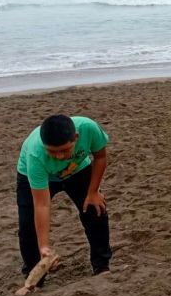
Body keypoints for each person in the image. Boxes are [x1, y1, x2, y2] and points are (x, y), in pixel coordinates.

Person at [16, 114, 111, 279]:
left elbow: (100, 157)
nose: (59, 156)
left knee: (95, 210)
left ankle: (102, 267)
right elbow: (42, 205)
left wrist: (93, 192)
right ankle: (34, 277)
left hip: (77, 169)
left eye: (65, 150)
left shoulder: (89, 128)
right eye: (52, 151)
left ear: (76, 137)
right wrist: (44, 247)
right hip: (37, 175)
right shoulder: (35, 154)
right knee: (28, 226)